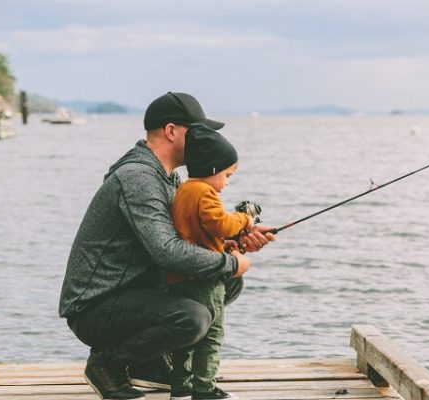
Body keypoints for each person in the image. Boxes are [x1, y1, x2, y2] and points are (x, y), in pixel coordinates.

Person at [58, 92, 275, 400]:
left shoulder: (169, 179)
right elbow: (167, 251)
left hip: (135, 292)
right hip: (96, 307)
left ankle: (148, 362)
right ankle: (108, 362)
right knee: (194, 317)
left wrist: (232, 242)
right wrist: (230, 262)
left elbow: (182, 240)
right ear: (171, 131)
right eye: (197, 131)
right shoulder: (138, 177)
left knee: (228, 282)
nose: (204, 139)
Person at [168, 123, 250, 400]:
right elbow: (220, 223)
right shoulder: (205, 192)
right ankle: (204, 388)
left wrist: (223, 246)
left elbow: (197, 232)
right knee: (212, 335)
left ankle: (181, 386)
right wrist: (245, 220)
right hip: (204, 279)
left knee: (189, 340)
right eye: (227, 175)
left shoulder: (185, 190)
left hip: (181, 278)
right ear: (213, 169)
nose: (227, 183)